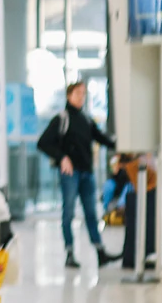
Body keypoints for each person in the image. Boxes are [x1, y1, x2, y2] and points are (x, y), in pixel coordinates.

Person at [37, 81, 117, 269]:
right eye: (78, 93)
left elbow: (102, 138)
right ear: (69, 95)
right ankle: (69, 252)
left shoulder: (87, 120)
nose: (82, 97)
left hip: (86, 173)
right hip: (70, 174)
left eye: (83, 93)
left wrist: (123, 146)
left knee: (91, 213)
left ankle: (100, 252)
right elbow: (43, 143)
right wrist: (62, 157)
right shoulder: (62, 118)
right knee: (69, 213)